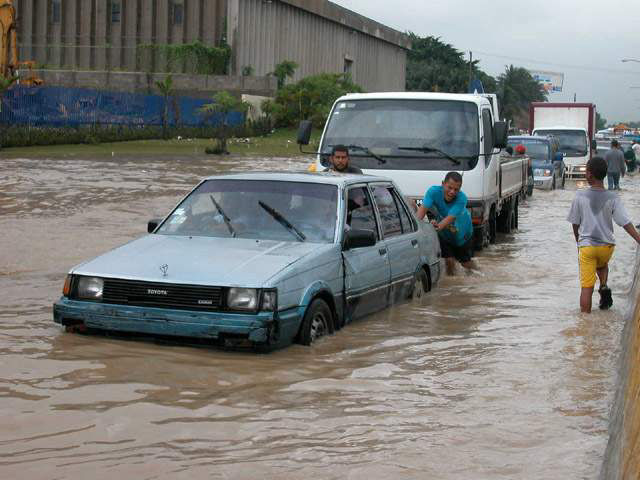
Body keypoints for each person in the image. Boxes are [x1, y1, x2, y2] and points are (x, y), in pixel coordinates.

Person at [567, 156, 640, 313]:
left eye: (586, 171)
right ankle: (604, 285)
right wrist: (639, 239)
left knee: (587, 288)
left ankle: (585, 324)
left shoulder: (580, 196)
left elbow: (575, 223)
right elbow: (625, 222)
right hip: (607, 247)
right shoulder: (613, 197)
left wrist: (578, 242)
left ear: (590, 175)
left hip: (587, 246)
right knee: (602, 264)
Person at [416, 172, 475, 275]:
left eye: (456, 189)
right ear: (443, 184)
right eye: (449, 188)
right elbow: (419, 216)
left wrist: (435, 226)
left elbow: (449, 219)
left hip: (463, 234)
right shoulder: (433, 192)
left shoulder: (462, 199)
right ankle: (451, 285)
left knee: (466, 264)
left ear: (459, 189)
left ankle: (476, 273)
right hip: (445, 234)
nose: (452, 192)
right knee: (449, 261)